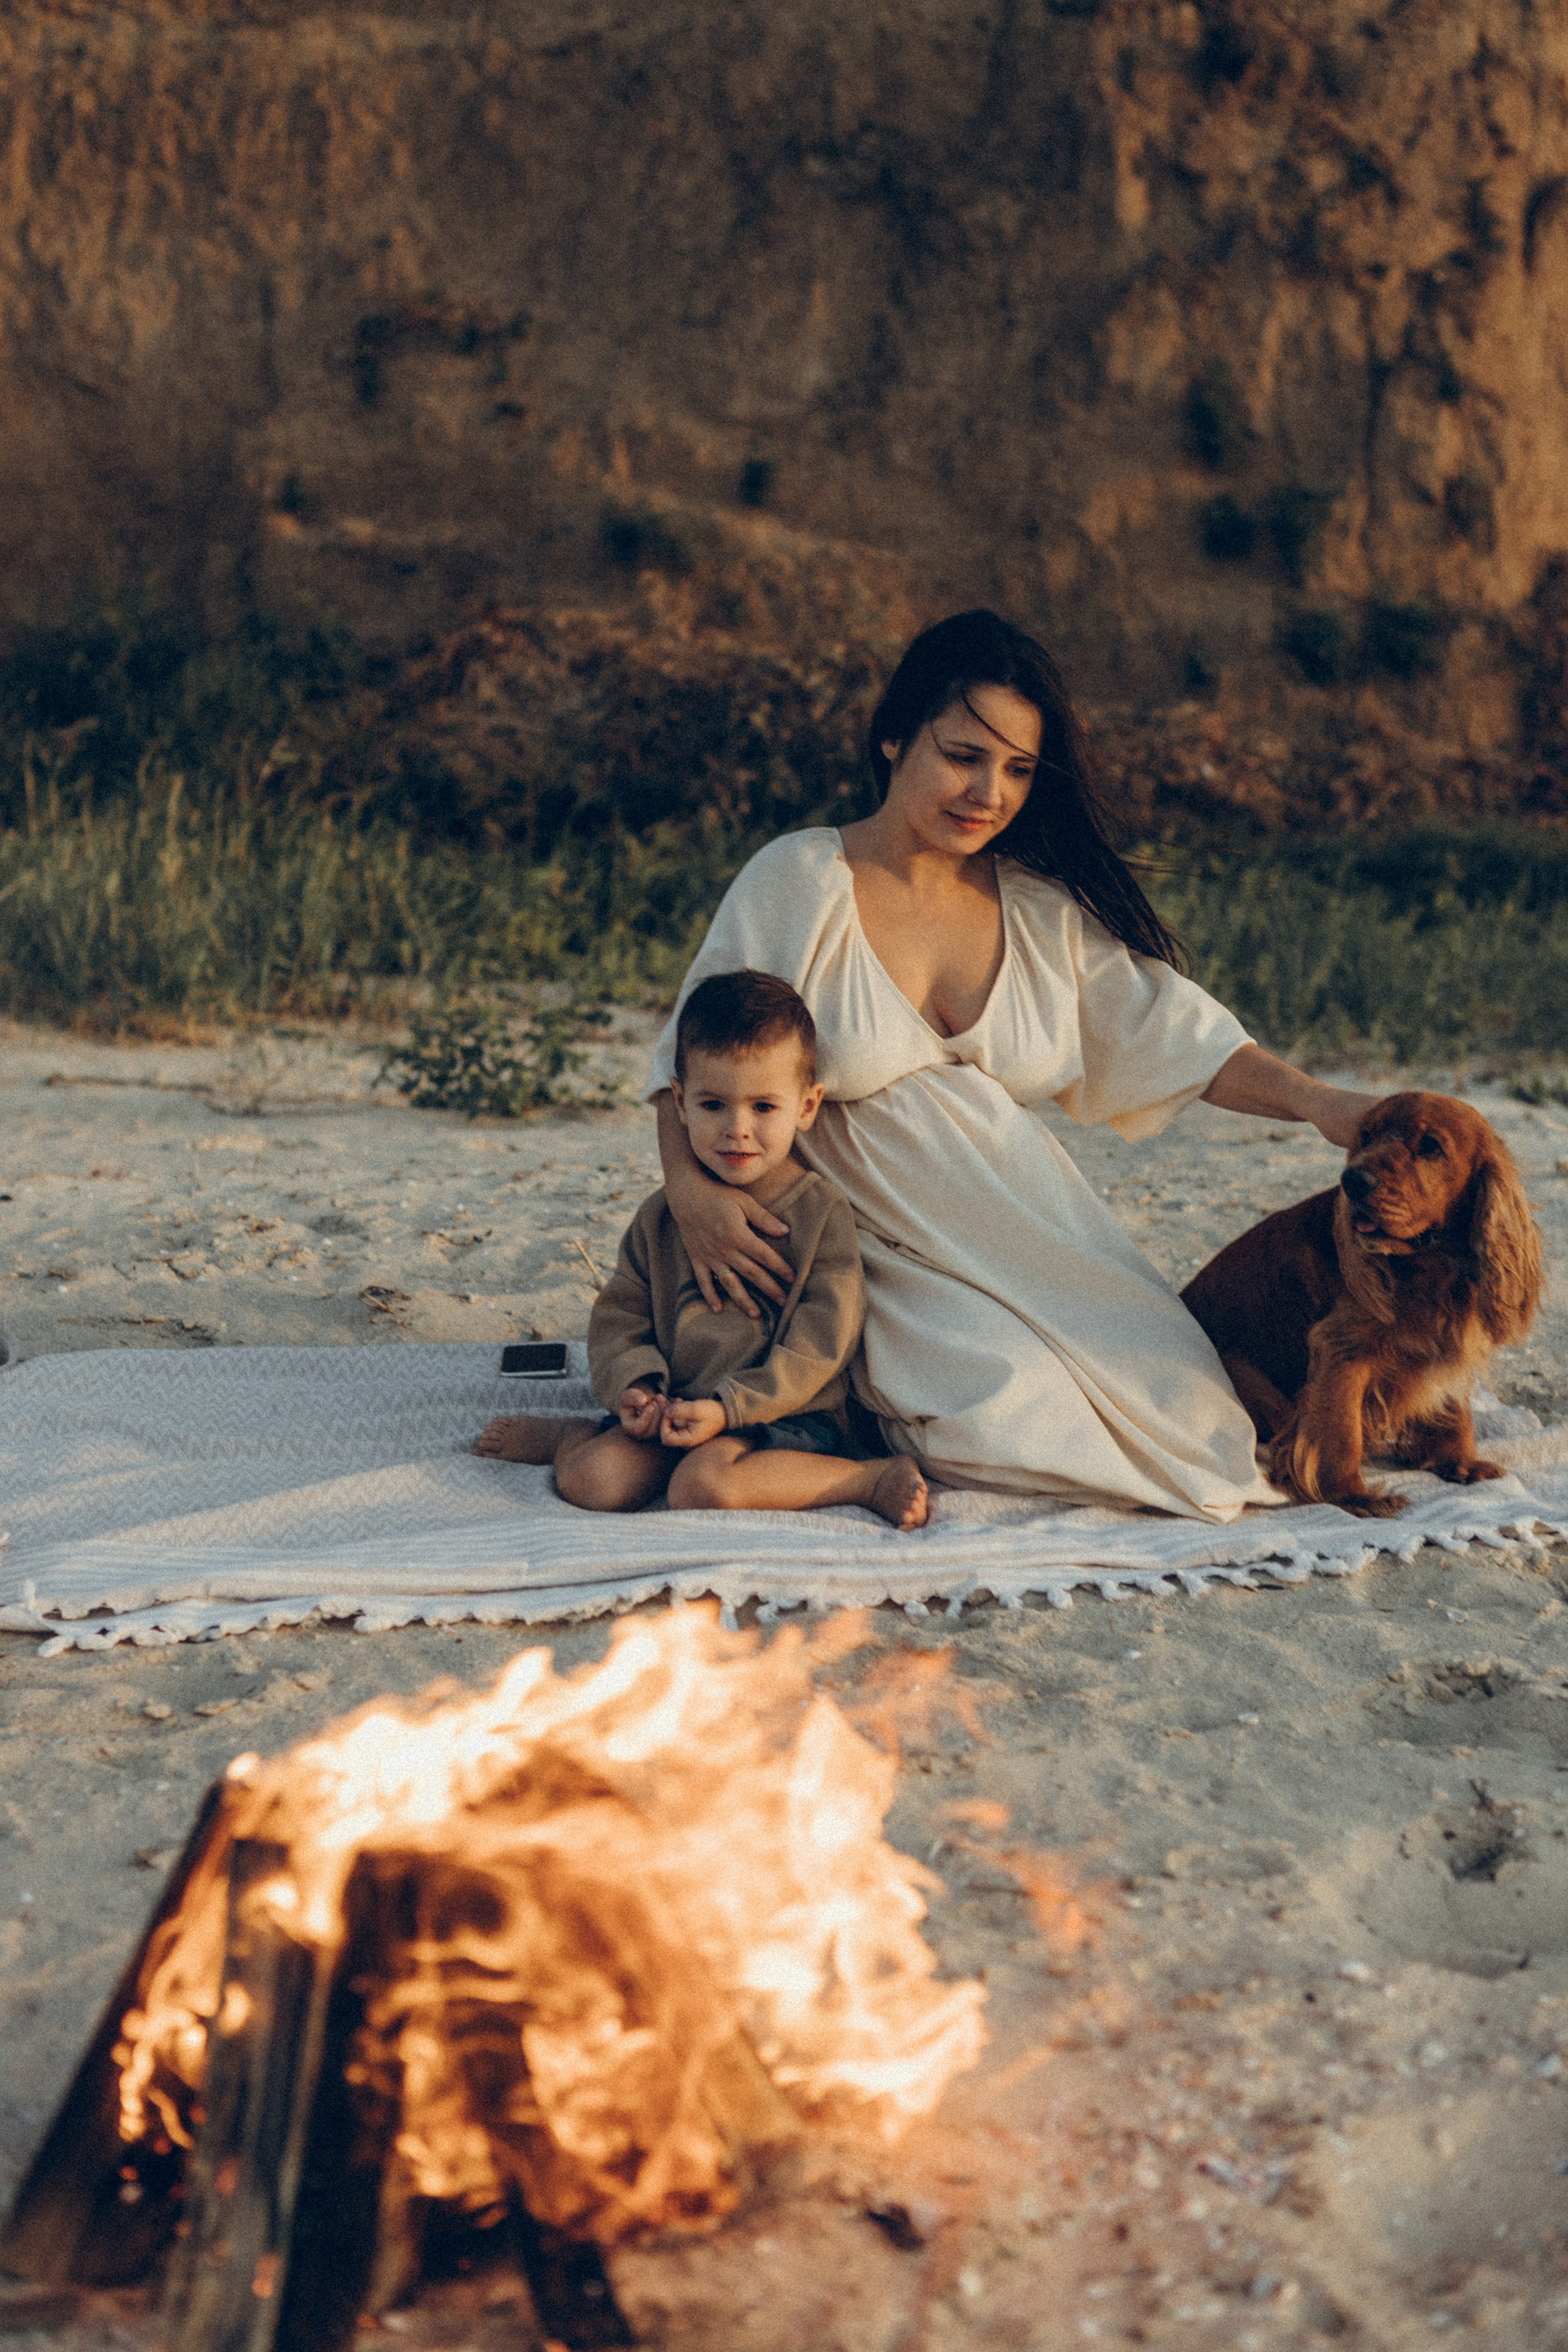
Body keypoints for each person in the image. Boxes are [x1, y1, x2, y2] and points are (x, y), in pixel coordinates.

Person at [643, 610, 1385, 1524]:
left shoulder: (1035, 910)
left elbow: (1170, 1034)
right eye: (964, 754)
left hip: (1034, 1231)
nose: (988, 791)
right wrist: (692, 1190)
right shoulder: (799, 879)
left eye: (1019, 769)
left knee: (1197, 1423)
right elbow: (690, 1055)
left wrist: (1322, 1103)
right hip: (876, 1247)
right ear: (892, 738)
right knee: (1000, 1421)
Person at [475, 969, 931, 1528]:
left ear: (807, 1106)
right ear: (681, 1103)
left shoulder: (820, 1214)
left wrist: (729, 1409)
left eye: (764, 1107)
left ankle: (868, 1478)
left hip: (780, 1419)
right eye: (714, 1104)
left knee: (701, 1486)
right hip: (676, 1409)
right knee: (591, 1482)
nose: (737, 1129)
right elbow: (621, 1314)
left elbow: (824, 1341)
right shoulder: (663, 1217)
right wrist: (636, 1387)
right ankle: (571, 1437)